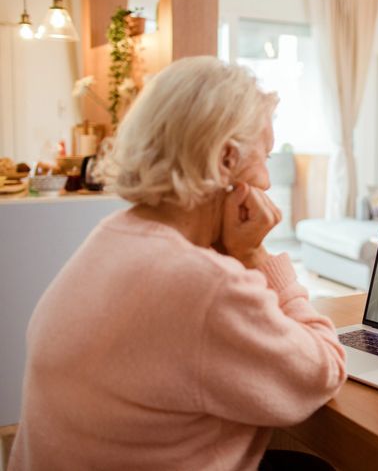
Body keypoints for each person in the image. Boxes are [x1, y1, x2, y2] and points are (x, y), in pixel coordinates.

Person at [8, 57, 346, 471]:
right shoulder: (205, 285)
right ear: (225, 160)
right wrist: (253, 256)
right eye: (265, 155)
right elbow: (323, 371)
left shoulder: (113, 234)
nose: (267, 182)